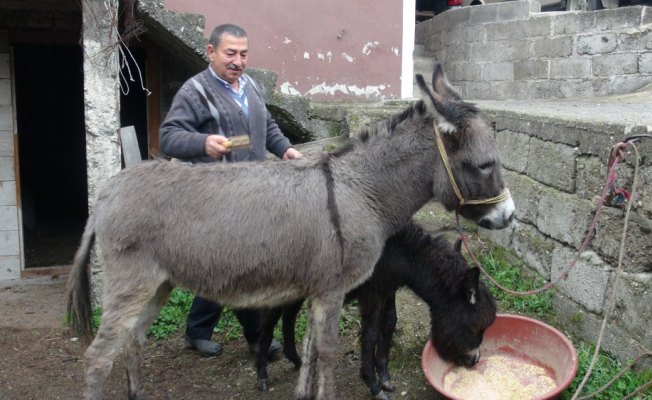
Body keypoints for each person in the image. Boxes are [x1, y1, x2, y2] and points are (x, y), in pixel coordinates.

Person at [159, 23, 303, 358]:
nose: (238, 61)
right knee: (238, 267)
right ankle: (256, 338)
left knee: (225, 267)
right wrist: (202, 142)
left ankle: (198, 331)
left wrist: (284, 149)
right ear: (211, 52)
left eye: (243, 54)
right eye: (230, 53)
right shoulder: (194, 91)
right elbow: (169, 136)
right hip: (216, 199)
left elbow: (265, 126)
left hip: (251, 195)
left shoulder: (250, 85)